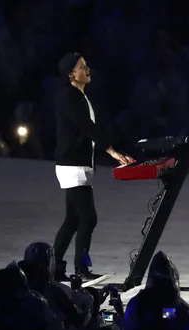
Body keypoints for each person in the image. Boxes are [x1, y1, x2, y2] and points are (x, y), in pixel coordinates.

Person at [52, 52, 134, 282]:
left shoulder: (80, 96)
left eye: (86, 65)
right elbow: (87, 126)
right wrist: (112, 151)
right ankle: (81, 269)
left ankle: (55, 268)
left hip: (78, 164)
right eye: (81, 66)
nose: (87, 69)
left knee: (73, 219)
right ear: (71, 74)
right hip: (72, 165)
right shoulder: (68, 97)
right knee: (88, 217)